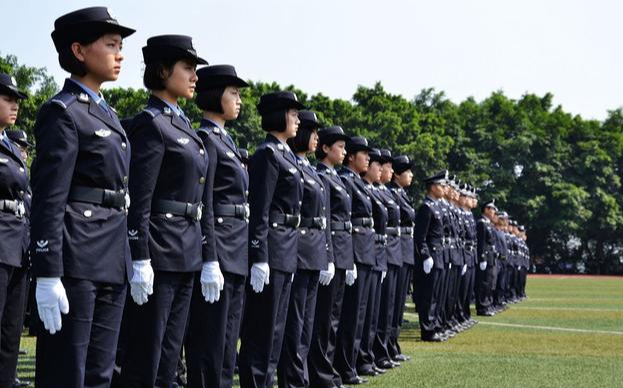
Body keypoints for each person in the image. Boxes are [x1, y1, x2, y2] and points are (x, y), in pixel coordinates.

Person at [29, 7, 135, 388]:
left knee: (99, 375)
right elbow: (48, 197)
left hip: (111, 258)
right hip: (76, 260)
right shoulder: (64, 112)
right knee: (66, 373)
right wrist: (47, 270)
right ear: (79, 50)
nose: (119, 54)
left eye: (120, 46)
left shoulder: (107, 114)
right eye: (110, 45)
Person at [118, 35, 209, 388]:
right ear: (163, 71)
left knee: (170, 356)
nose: (194, 76)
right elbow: (140, 198)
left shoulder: (181, 123)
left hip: (185, 251)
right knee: (147, 355)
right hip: (159, 250)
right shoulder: (151, 124)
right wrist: (140, 256)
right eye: (187, 68)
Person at [185, 64, 250, 388]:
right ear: (215, 95)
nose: (239, 101)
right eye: (233, 93)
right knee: (209, 342)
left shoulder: (227, 141)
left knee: (227, 342)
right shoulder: (207, 139)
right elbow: (205, 202)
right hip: (220, 248)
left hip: (236, 247)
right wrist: (210, 256)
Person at [238, 91, 305, 388]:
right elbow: (260, 211)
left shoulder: (286, 154)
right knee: (262, 330)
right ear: (278, 115)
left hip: (288, 247)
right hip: (273, 248)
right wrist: (260, 256)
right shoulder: (268, 154)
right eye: (293, 114)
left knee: (277, 330)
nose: (298, 120)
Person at [278, 110, 328, 388]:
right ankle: (292, 380)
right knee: (294, 324)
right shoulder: (292, 164)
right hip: (296, 250)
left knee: (305, 324)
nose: (315, 137)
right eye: (311, 130)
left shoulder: (308, 168)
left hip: (312, 251)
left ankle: (301, 378)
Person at [308, 126, 352, 388]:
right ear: (325, 148)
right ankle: (321, 373)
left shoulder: (335, 178)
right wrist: (329, 256)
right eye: (340, 146)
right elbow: (325, 220)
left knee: (332, 318)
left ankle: (328, 370)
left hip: (341, 250)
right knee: (323, 319)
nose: (344, 152)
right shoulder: (322, 176)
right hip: (329, 248)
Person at [334, 136, 374, 385]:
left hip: (364, 249)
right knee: (349, 315)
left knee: (359, 314)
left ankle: (351, 363)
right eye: (364, 154)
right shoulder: (346, 181)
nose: (368, 159)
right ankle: (345, 365)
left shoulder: (357, 182)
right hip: (354, 250)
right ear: (351, 157)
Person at [0, 75, 30, 388]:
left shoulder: (9, 144)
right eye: (7, 97)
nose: (15, 105)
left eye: (17, 99)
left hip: (16, 245)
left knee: (10, 333)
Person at [372, 149, 403, 369]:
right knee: (378, 309)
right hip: (377, 251)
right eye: (383, 165)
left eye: (390, 167)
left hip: (389, 250)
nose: (387, 170)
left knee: (389, 307)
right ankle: (376, 353)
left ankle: (386, 349)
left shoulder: (386, 192)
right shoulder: (371, 189)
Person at [385, 155, 415, 361]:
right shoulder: (392, 194)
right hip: (396, 248)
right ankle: (387, 348)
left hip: (403, 249)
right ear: (397, 173)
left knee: (398, 305)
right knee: (390, 305)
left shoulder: (402, 195)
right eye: (408, 171)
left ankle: (393, 346)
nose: (411, 175)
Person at [414, 170, 448, 342]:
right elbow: (420, 236)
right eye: (441, 186)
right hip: (431, 255)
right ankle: (427, 330)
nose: (443, 189)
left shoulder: (436, 207)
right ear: (432, 187)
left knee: (436, 294)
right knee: (429, 295)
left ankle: (434, 326)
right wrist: (425, 255)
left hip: (439, 254)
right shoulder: (426, 208)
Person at [476, 200, 499, 316]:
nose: (494, 211)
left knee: (490, 283)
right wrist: (482, 258)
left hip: (491, 256)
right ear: (486, 209)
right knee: (484, 283)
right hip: (486, 256)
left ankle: (488, 305)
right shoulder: (481, 223)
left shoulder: (488, 223)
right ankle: (482, 307)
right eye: (492, 209)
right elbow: (481, 243)